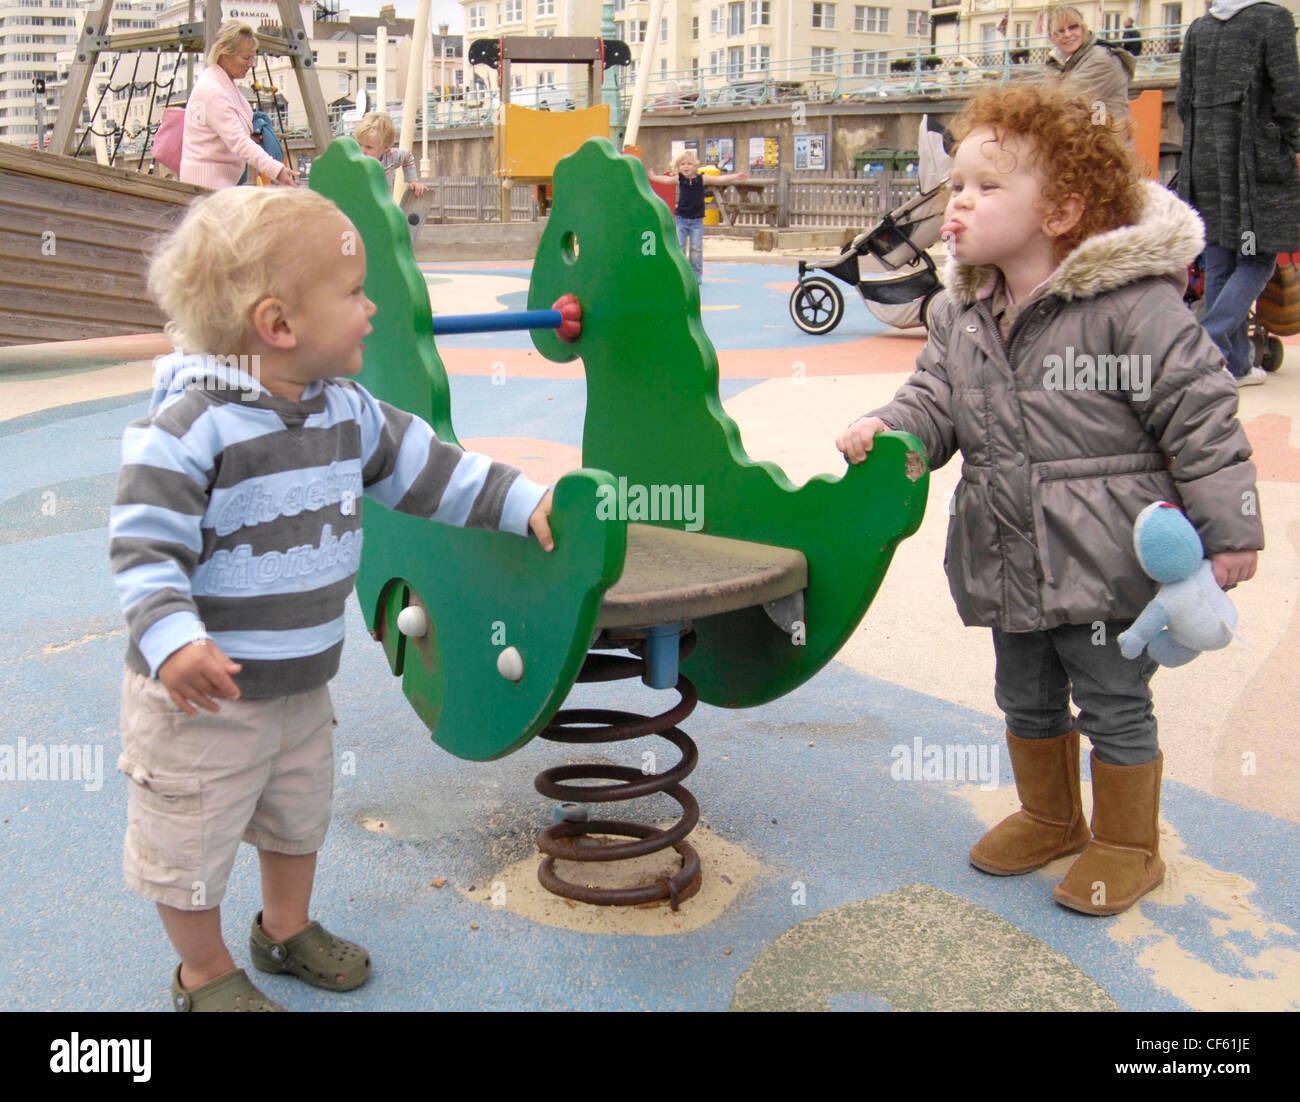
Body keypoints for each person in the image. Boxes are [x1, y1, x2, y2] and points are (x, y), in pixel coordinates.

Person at [111, 187, 555, 1011]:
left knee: (296, 818)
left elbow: (434, 470)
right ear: (277, 325)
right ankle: (202, 972)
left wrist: (523, 499)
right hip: (200, 695)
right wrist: (173, 641)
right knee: (191, 839)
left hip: (299, 684)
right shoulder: (190, 427)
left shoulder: (343, 412)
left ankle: (284, 927)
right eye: (353, 293)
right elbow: (144, 547)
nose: (372, 306)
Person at [836, 85, 1262, 917]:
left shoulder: (1130, 307)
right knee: (1023, 693)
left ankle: (1129, 844)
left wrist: (1228, 529)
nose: (959, 201)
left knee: (1112, 698)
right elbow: (936, 401)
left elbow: (1200, 412)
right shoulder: (960, 313)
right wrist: (894, 431)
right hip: (1008, 552)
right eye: (957, 184)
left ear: (1062, 209)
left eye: (986, 186)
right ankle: (1049, 813)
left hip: (1105, 559)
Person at [1177, 1, 1300, 385]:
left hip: (1205, 160)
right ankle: (1208, 340)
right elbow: (1289, 94)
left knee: (1220, 261)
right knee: (1256, 256)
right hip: (1253, 163)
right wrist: (1290, 141)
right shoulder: (1273, 19)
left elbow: (1183, 101)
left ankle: (1234, 367)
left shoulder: (1198, 28)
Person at [180, 20, 298, 190]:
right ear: (224, 53)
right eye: (246, 58)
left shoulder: (223, 84)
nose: (250, 64)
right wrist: (277, 170)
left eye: (252, 58)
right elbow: (239, 142)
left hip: (216, 182)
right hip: (207, 185)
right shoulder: (212, 91)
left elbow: (232, 133)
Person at [647, 150, 747, 284]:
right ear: (678, 167)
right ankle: (680, 272)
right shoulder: (679, 179)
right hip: (681, 219)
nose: (686, 166)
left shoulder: (702, 179)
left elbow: (719, 179)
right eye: (683, 164)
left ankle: (696, 274)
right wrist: (653, 177)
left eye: (689, 164)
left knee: (696, 248)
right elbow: (666, 180)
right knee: (680, 247)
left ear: (695, 166)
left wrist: (735, 176)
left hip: (696, 221)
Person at [1042, 5, 1136, 123]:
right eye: (1060, 31)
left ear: (1083, 29)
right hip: (1079, 135)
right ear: (1052, 38)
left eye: (1073, 27)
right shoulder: (1058, 61)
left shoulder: (1102, 59)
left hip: (1105, 138)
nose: (1067, 34)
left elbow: (1065, 105)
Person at [354, 111, 429, 197]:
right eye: (359, 144)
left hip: (383, 205)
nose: (361, 150)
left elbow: (407, 156)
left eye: (369, 147)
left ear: (385, 148)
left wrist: (412, 180)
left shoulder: (391, 157)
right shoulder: (354, 158)